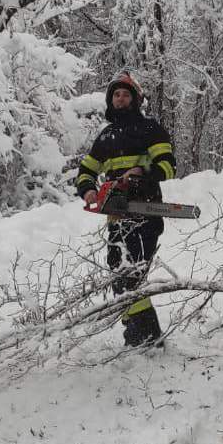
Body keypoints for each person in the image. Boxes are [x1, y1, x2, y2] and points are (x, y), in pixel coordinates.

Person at [75, 71, 177, 347]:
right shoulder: (105, 137)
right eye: (116, 95)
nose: (120, 99)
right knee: (119, 274)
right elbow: (86, 171)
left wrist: (141, 173)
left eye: (125, 94)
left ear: (135, 99)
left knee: (132, 275)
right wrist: (88, 190)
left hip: (146, 213)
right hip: (116, 216)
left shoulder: (149, 129)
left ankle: (148, 337)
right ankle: (136, 334)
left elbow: (168, 166)